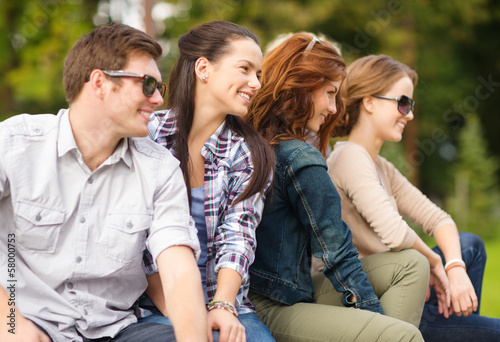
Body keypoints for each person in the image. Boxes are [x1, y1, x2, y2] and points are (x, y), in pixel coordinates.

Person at [0, 23, 207, 342]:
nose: (156, 99)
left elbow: (178, 268)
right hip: (25, 323)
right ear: (99, 82)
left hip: (115, 331)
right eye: (148, 84)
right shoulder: (13, 144)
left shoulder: (160, 168)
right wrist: (10, 324)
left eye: (160, 89)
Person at [245, 32, 425, 341]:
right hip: (273, 306)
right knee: (401, 336)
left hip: (288, 288)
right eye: (329, 93)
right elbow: (338, 253)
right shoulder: (301, 158)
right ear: (302, 86)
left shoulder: (256, 139)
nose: (333, 108)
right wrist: (379, 325)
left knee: (411, 264)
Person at [328, 53, 500, 341]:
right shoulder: (348, 156)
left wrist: (454, 269)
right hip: (380, 304)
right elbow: (395, 234)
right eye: (403, 103)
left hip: (408, 285)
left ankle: (456, 317)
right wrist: (435, 263)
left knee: (470, 246)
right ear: (369, 101)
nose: (409, 114)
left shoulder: (380, 165)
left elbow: (438, 219)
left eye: (411, 104)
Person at [138, 21, 275, 342]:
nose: (255, 84)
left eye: (258, 74)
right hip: (152, 307)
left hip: (224, 304)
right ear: (203, 68)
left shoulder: (249, 154)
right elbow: (138, 243)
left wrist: (223, 306)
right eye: (245, 69)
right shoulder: (148, 135)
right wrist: (186, 315)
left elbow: (239, 237)